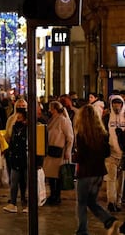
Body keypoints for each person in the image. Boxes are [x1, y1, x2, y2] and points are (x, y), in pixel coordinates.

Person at [73, 104, 121, 235]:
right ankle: (109, 220)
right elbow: (106, 153)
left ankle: (82, 230)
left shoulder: (81, 135)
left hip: (86, 173)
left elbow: (81, 156)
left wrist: (74, 156)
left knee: (82, 203)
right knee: (91, 202)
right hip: (98, 172)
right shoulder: (102, 133)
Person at [43, 101, 74, 205]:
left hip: (59, 151)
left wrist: (68, 151)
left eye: (51, 108)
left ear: (55, 109)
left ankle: (57, 196)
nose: (49, 110)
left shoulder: (63, 121)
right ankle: (52, 195)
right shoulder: (52, 120)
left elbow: (70, 137)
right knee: (51, 175)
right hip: (51, 151)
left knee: (58, 175)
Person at [102, 95, 125, 212]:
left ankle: (118, 202)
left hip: (124, 155)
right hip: (110, 154)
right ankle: (111, 201)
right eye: (114, 103)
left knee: (121, 180)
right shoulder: (106, 118)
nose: (117, 106)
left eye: (119, 103)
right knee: (111, 179)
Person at [3, 110, 28, 213]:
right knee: (14, 183)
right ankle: (13, 203)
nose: (17, 120)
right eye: (16, 118)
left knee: (26, 183)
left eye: (19, 118)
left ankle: (26, 203)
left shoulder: (28, 129)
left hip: (25, 159)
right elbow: (12, 142)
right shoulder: (14, 128)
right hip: (15, 159)